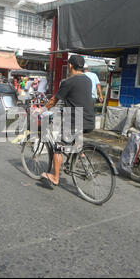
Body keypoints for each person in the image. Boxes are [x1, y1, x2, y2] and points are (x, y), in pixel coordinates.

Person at [40, 55, 95, 186]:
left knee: (57, 147)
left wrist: (41, 110)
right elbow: (76, 98)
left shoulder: (68, 82)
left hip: (75, 120)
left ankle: (55, 177)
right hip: (89, 119)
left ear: (70, 66)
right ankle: (77, 156)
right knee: (74, 141)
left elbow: (54, 100)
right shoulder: (88, 80)